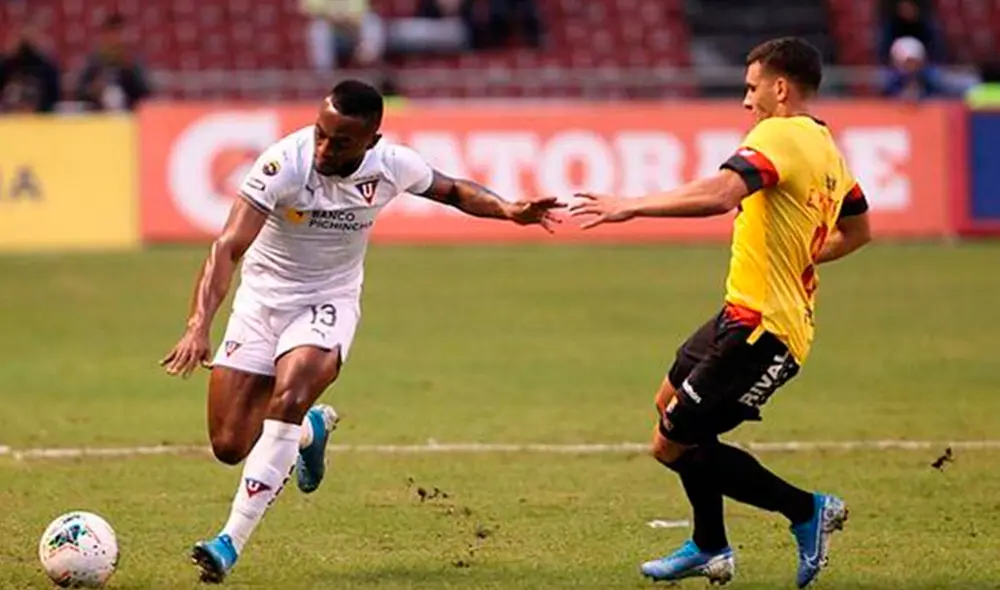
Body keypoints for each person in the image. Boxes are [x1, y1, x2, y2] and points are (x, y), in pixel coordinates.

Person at [160, 79, 562, 583]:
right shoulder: (284, 163)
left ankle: (228, 542)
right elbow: (226, 247)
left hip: (328, 301)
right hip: (261, 304)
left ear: (370, 140)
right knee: (229, 444)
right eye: (321, 134)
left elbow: (454, 189)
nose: (325, 148)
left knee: (288, 400)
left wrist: (507, 209)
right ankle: (312, 431)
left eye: (341, 141)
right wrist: (199, 325)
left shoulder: (393, 165)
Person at [570, 37, 871, 588]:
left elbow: (721, 193)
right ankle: (711, 546)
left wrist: (628, 206)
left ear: (780, 88)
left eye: (751, 87)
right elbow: (859, 230)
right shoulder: (827, 148)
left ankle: (806, 509)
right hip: (739, 314)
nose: (745, 101)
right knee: (668, 403)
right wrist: (806, 252)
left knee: (672, 442)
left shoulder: (778, 134)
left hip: (763, 332)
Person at [75, 13, 151, 112]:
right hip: (99, 117)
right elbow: (80, 91)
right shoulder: (94, 62)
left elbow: (145, 93)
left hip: (128, 115)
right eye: (112, 33)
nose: (115, 39)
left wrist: (130, 74)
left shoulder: (132, 61)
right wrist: (93, 90)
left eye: (119, 33)